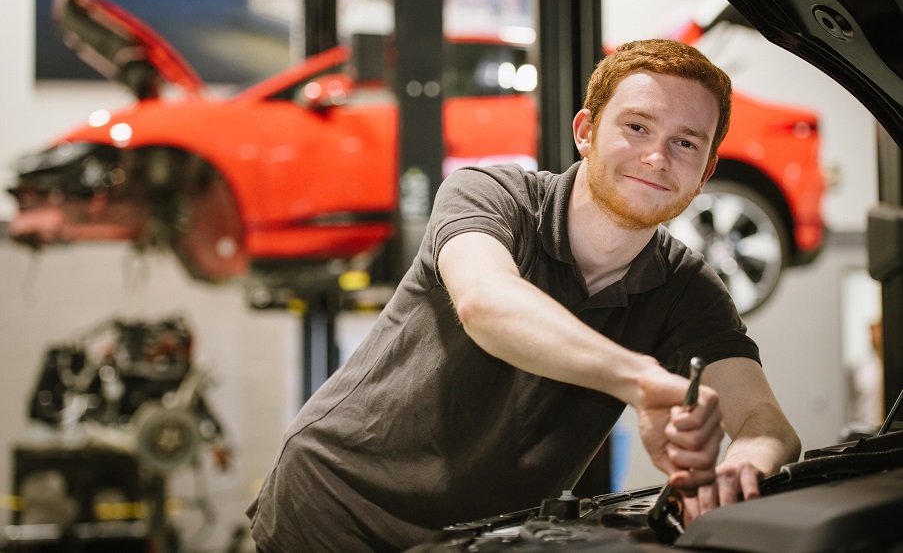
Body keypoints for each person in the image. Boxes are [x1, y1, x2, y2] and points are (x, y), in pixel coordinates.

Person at [246, 39, 801, 551]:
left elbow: (764, 422)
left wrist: (741, 467)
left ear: (705, 172)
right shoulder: (492, 197)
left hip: (479, 539)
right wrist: (642, 381)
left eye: (685, 143)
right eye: (637, 127)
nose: (657, 157)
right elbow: (486, 303)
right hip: (334, 508)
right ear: (585, 131)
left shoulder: (686, 289)